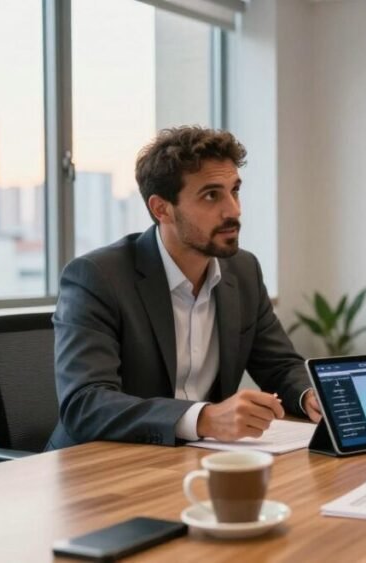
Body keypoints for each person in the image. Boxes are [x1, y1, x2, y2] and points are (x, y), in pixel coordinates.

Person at [47, 126, 321, 450]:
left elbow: (280, 365)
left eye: (235, 190)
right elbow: (86, 403)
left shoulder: (243, 271)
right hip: (100, 467)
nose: (234, 210)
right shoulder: (97, 277)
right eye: (211, 195)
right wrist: (203, 419)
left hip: (194, 461)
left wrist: (309, 395)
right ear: (162, 209)